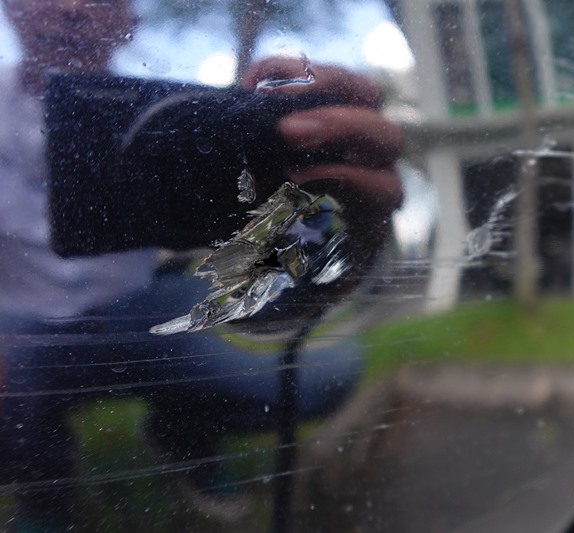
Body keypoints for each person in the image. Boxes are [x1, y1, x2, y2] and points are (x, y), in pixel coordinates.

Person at [0, 0, 403, 530]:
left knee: (326, 372)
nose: (71, 6)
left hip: (140, 314)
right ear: (10, 8)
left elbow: (257, 235)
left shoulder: (185, 112)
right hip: (15, 329)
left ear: (129, 21)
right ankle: (42, 490)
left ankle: (184, 428)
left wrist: (332, 212)